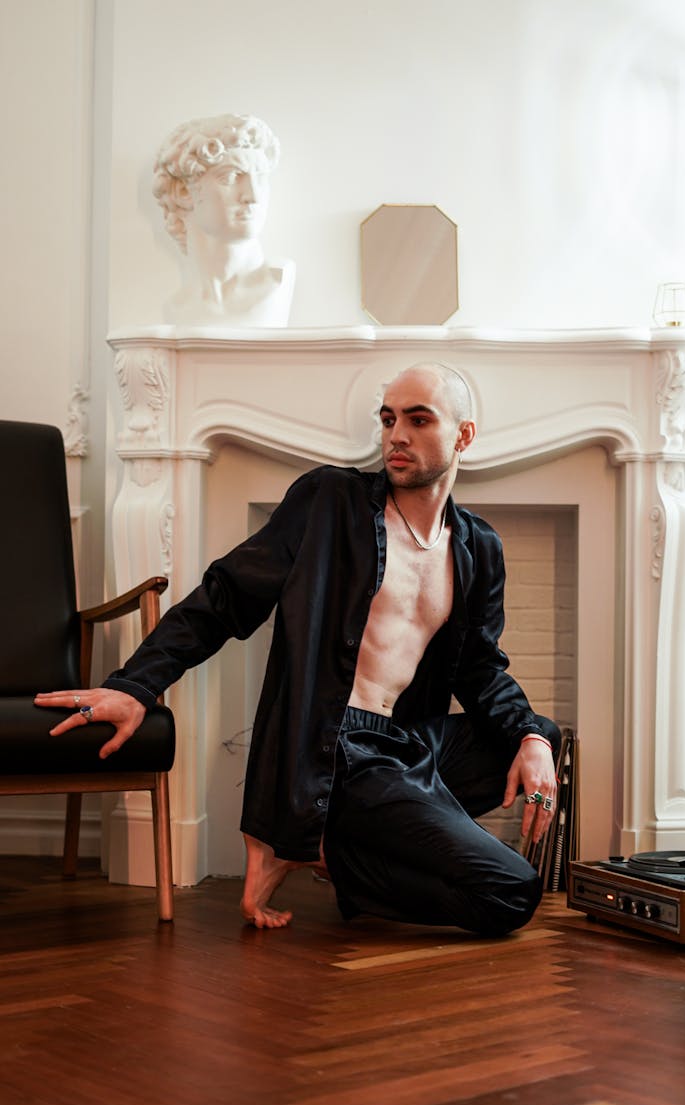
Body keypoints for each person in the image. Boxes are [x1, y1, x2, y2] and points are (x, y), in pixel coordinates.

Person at [35, 363, 560, 934]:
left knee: (539, 733)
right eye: (388, 420)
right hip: (336, 749)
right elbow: (224, 598)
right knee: (512, 892)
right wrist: (134, 685)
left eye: (418, 419)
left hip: (405, 745)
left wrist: (530, 738)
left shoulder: (478, 547)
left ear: (463, 435)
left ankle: (319, 842)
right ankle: (327, 850)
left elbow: (482, 668)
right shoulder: (331, 503)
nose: (396, 435)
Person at [152, 113, 295, 326]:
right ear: (184, 192)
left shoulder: (277, 284)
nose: (253, 196)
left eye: (261, 178)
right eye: (231, 177)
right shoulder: (178, 307)